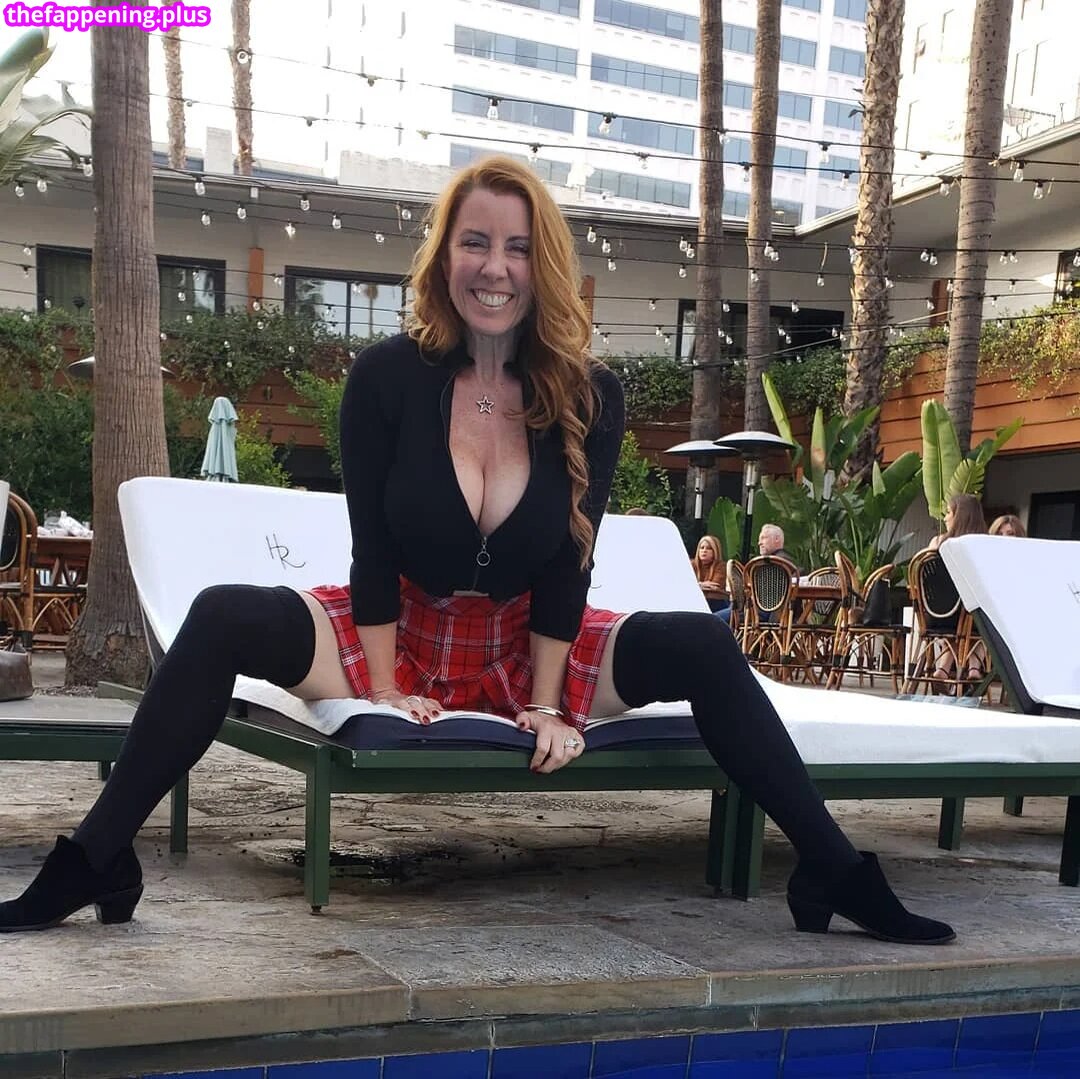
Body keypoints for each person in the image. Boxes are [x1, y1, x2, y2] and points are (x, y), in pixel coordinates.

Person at [0, 156, 953, 945]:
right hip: (398, 625)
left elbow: (569, 564)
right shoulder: (385, 379)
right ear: (444, 256)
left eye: (517, 247)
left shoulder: (590, 394)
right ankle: (97, 856)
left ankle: (831, 868)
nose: (495, 268)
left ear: (543, 265)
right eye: (475, 242)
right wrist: (380, 688)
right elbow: (372, 546)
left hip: (525, 643)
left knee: (702, 642)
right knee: (220, 616)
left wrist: (548, 704)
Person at [925, 494, 987, 686]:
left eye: (948, 513)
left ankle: (942, 669)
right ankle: (974, 667)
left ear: (960, 516)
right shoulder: (982, 547)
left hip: (935, 615)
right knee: (985, 620)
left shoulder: (937, 543)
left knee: (963, 622)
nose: (945, 518)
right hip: (970, 618)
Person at [692, 535, 731, 621]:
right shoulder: (691, 565)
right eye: (702, 548)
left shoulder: (721, 566)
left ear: (715, 551)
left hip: (716, 602)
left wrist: (695, 586)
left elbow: (715, 586)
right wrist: (700, 585)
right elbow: (685, 585)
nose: (704, 551)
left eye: (709, 548)